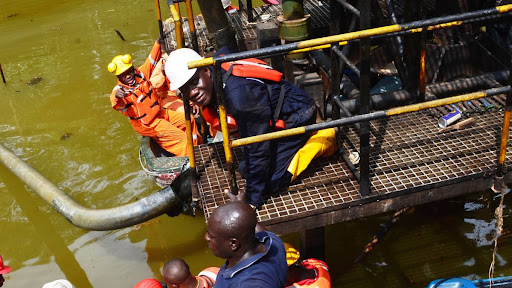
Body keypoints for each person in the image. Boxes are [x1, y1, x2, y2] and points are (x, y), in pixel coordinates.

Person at [165, 46, 326, 208]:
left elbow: (258, 148)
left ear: (206, 70)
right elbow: (226, 48)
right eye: (185, 89)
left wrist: (251, 201)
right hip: (268, 115)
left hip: (297, 114)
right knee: (245, 169)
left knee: (269, 183)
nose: (192, 92)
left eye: (194, 82)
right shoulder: (217, 65)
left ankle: (322, 139)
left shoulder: (240, 98)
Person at [108, 37, 201, 157]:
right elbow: (114, 101)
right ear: (119, 77)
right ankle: (191, 161)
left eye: (129, 72)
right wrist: (117, 95)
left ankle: (197, 147)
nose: (128, 76)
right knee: (182, 138)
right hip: (147, 124)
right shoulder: (120, 92)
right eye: (123, 75)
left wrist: (158, 42)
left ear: (132, 68)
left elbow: (151, 60)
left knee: (190, 120)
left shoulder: (140, 74)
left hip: (159, 113)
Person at [204, 191, 288, 287]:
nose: (206, 238)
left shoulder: (248, 283)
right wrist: (242, 205)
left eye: (211, 236)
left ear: (233, 243)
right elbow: (252, 225)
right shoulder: (272, 241)